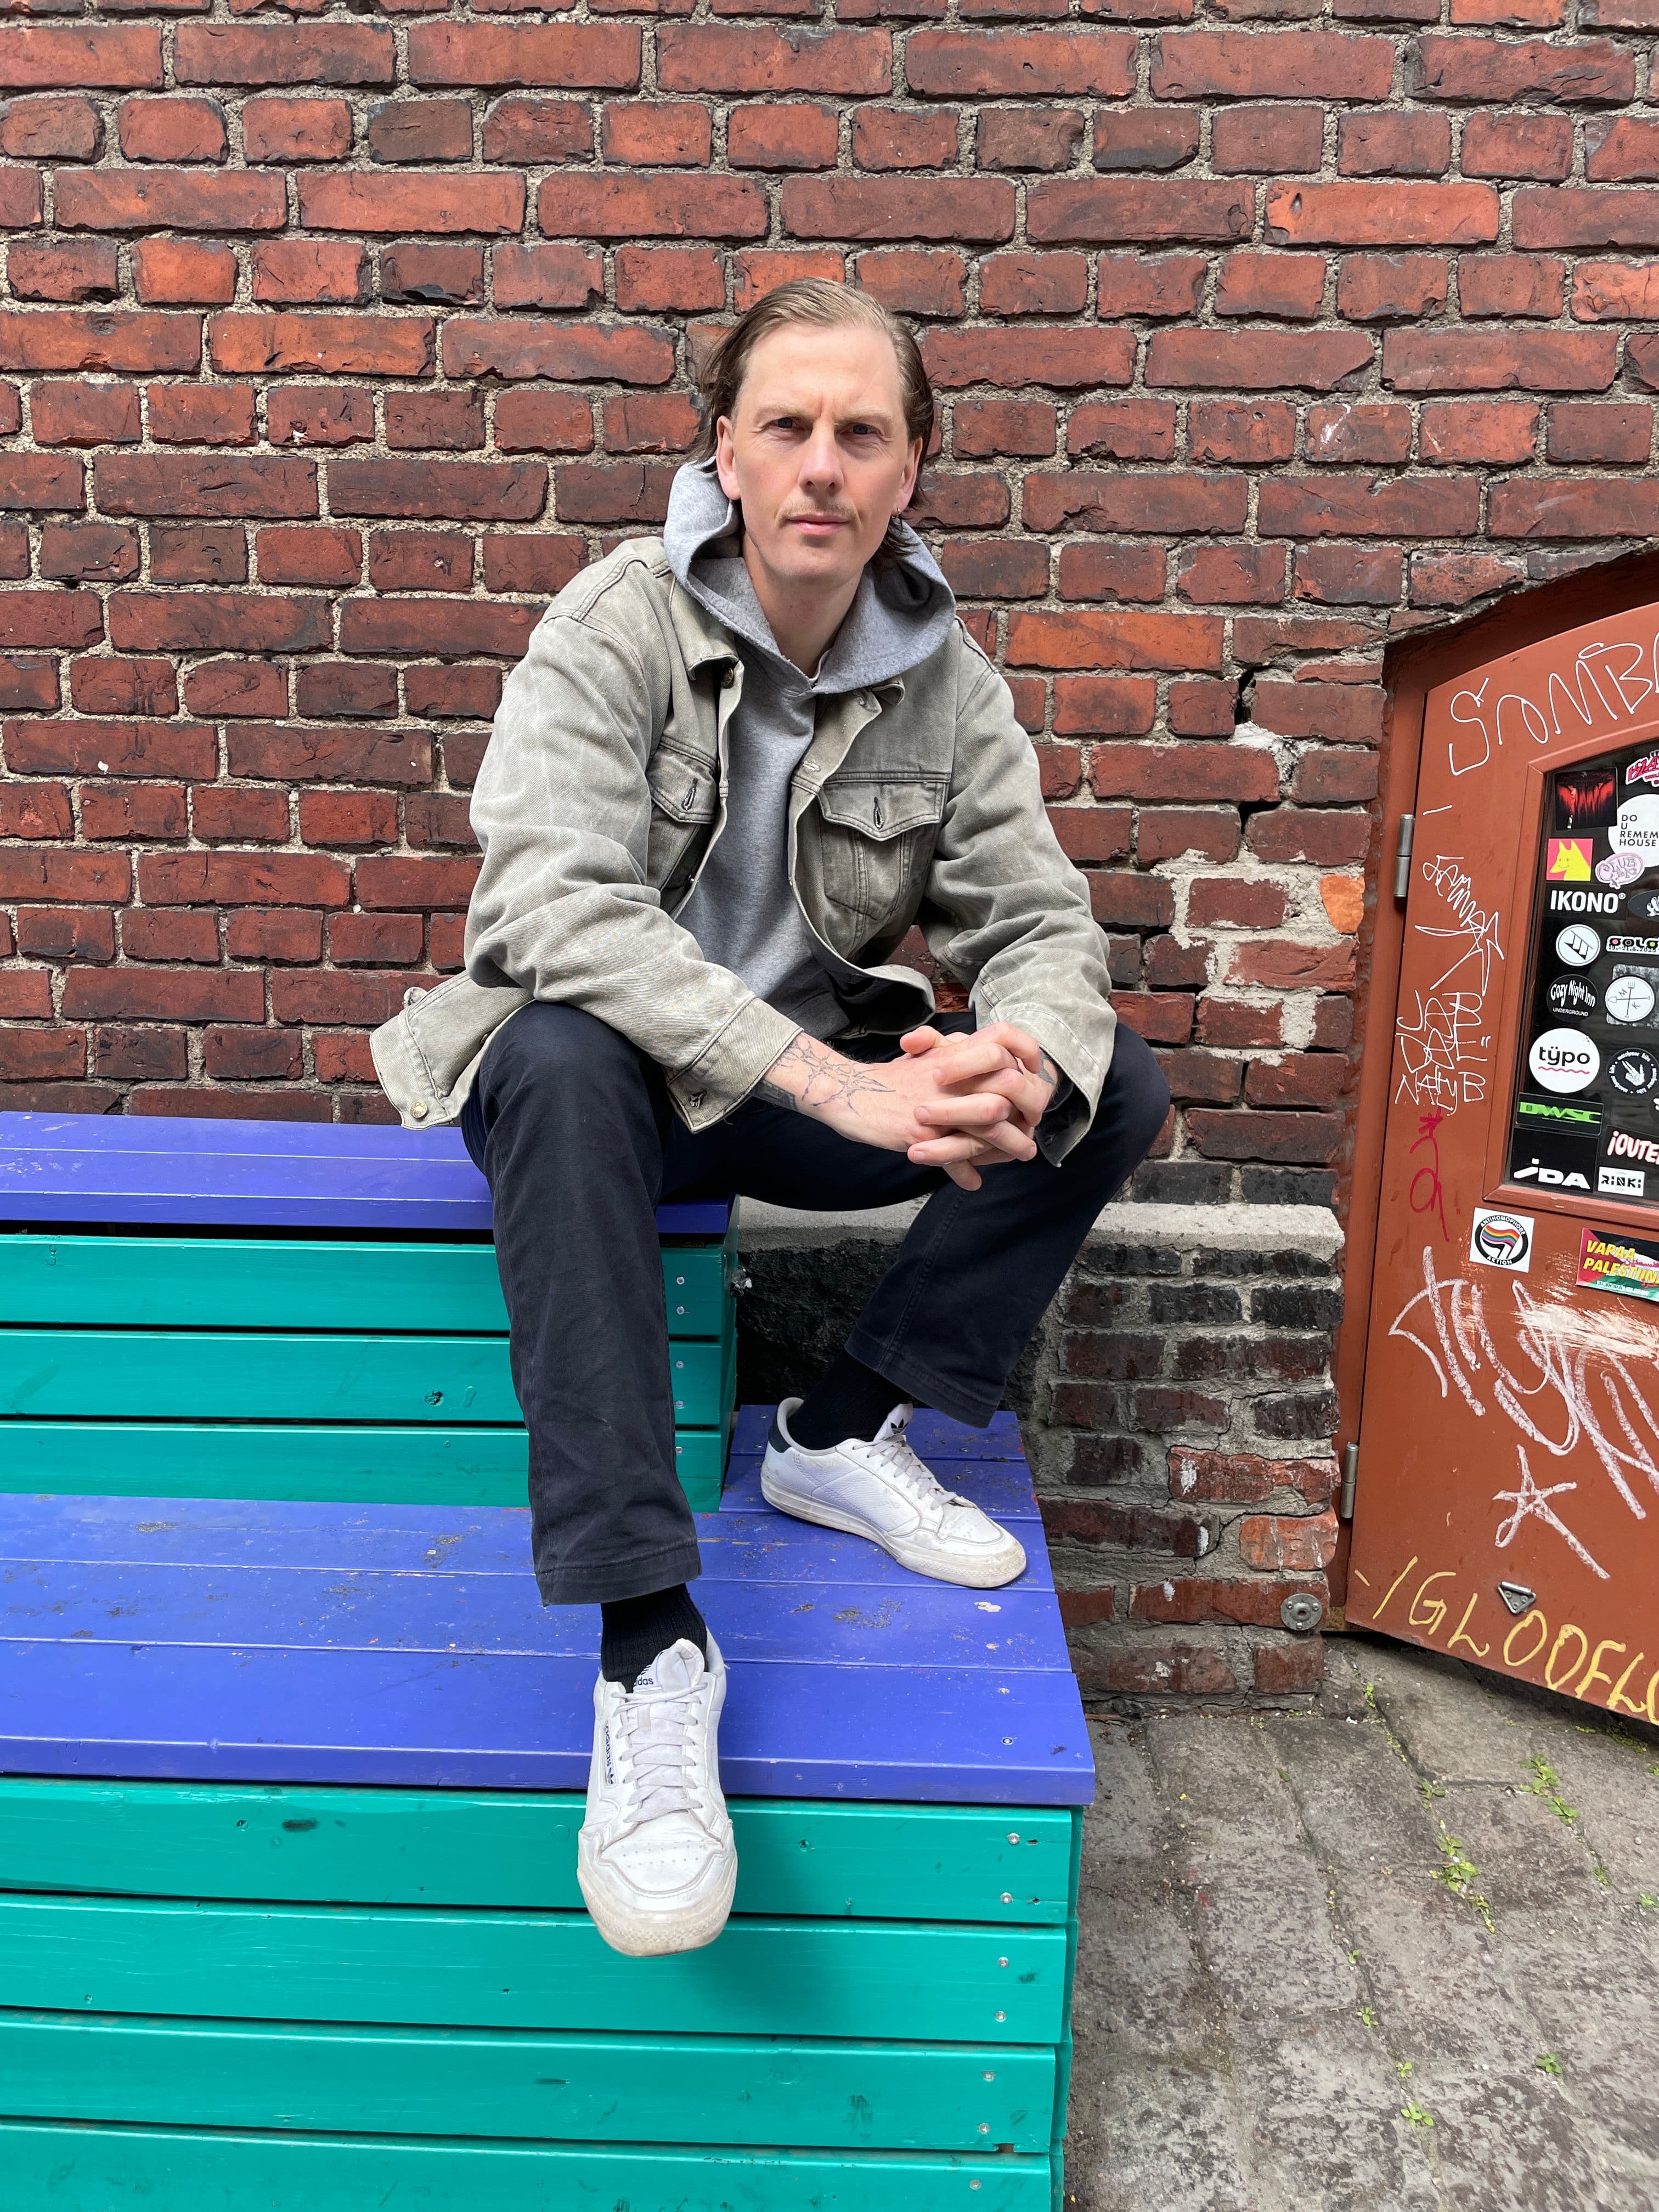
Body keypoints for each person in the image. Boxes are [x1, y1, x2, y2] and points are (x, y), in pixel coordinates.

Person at [370, 279, 1170, 1959]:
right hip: (612, 1092)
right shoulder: (615, 624)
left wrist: (1022, 1052)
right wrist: (840, 1085)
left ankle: (838, 1433)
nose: (822, 465)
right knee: (560, 1058)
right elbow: (551, 910)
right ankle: (650, 1642)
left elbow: (1037, 919)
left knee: (1108, 1090)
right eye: (787, 427)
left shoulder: (944, 683)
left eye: (860, 433)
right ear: (724, 451)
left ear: (911, 467)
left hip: (803, 1076)